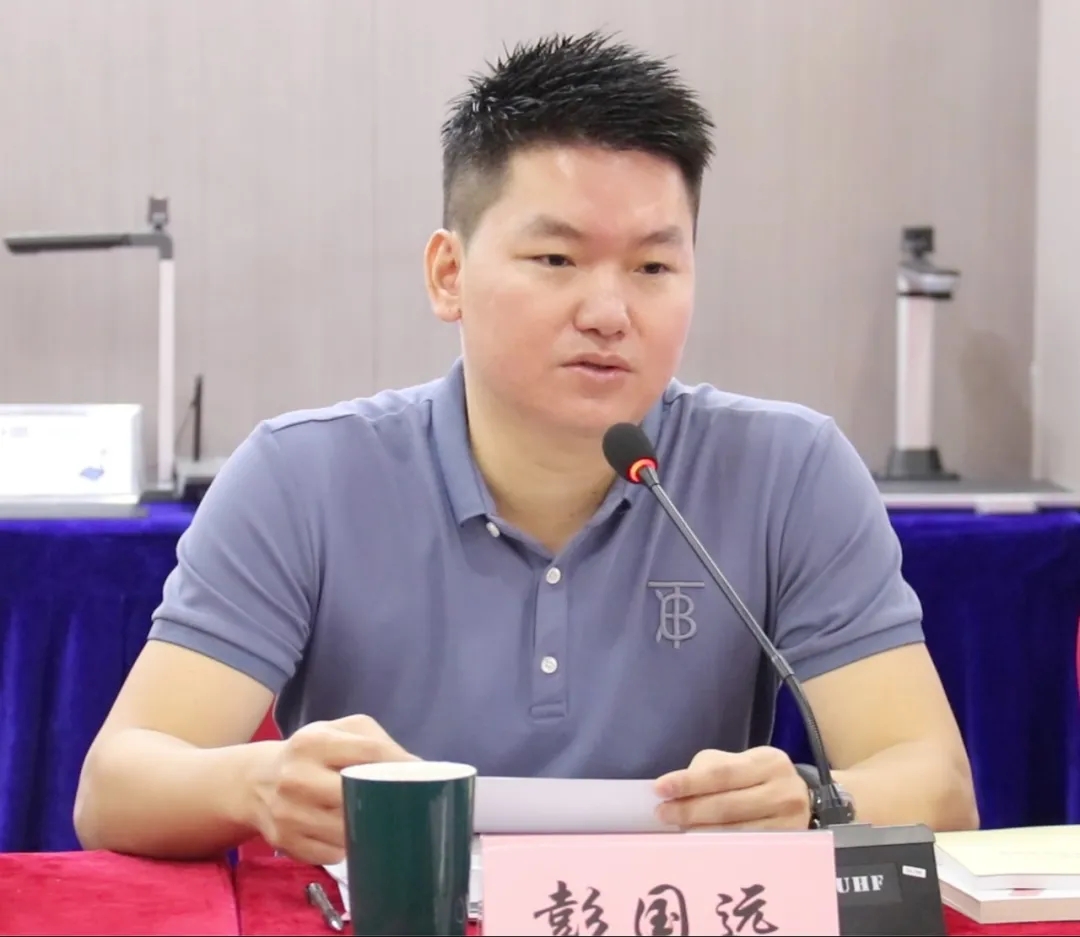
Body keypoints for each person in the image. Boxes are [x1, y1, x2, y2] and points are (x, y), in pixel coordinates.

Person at [74, 31, 978, 865]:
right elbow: (116, 786)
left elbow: (934, 781)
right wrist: (254, 783)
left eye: (654, 266)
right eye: (556, 260)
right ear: (449, 274)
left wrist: (813, 801)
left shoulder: (788, 470)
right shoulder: (302, 475)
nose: (609, 312)